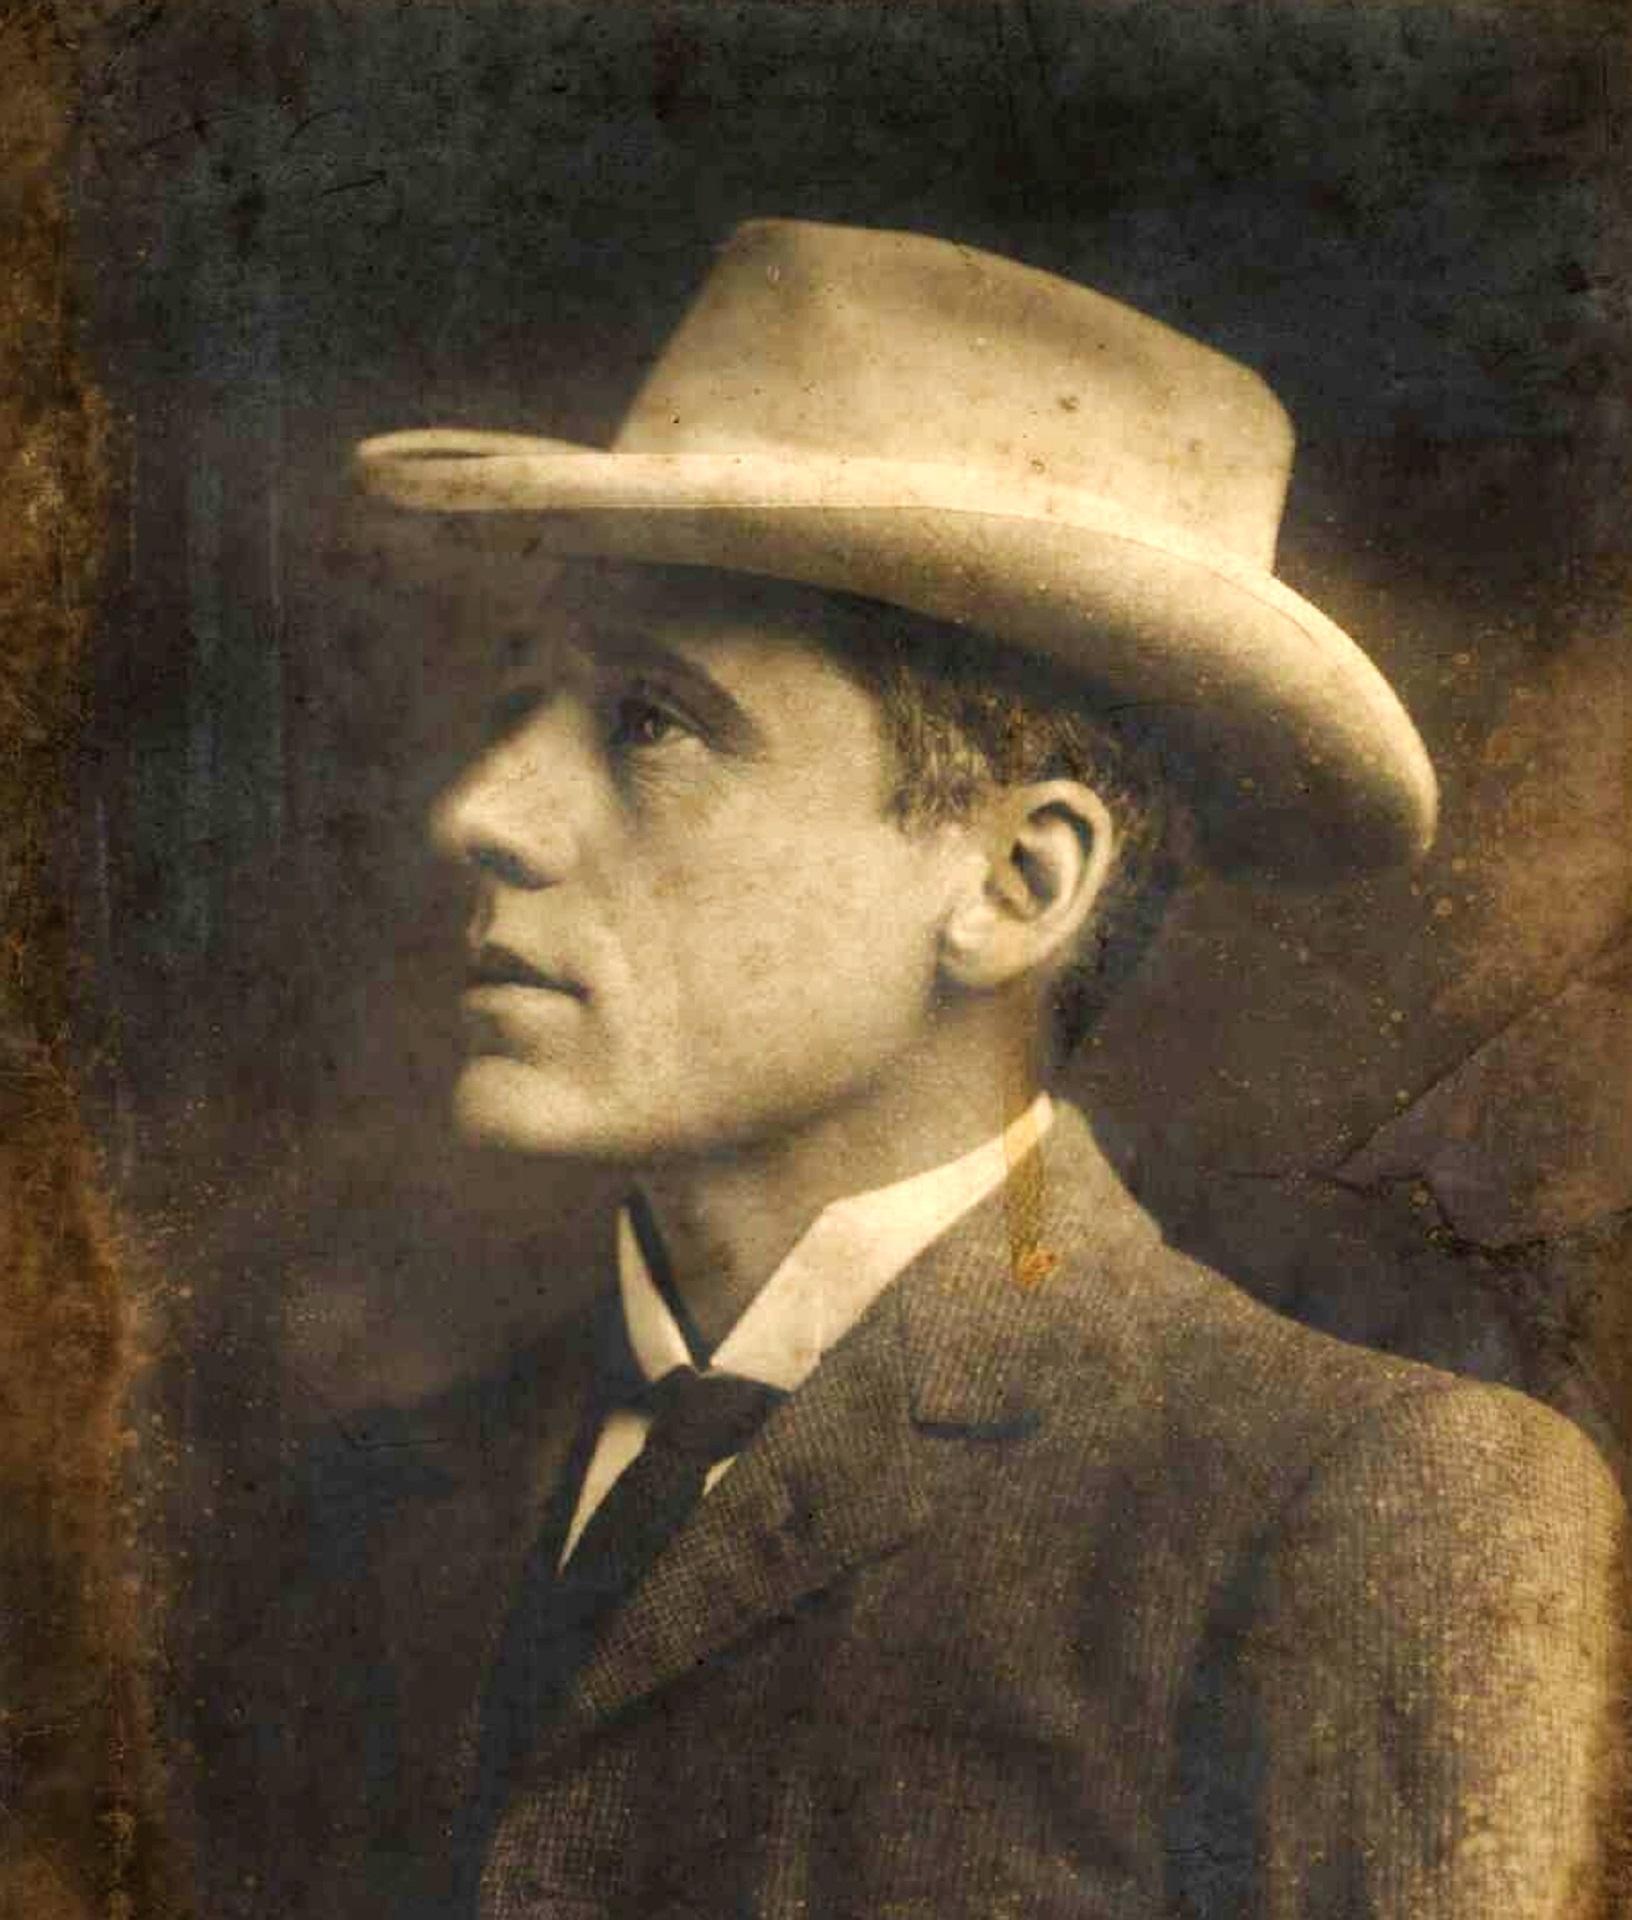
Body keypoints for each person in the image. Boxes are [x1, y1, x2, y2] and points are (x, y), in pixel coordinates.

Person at [304, 220, 1620, 1919]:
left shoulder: (1358, 1515)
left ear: (1016, 884)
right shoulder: (370, 1502)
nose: (482, 812)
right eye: (517, 708)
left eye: (650, 722)